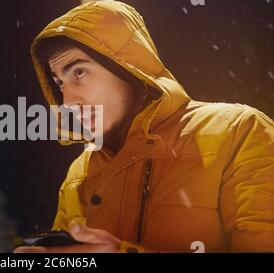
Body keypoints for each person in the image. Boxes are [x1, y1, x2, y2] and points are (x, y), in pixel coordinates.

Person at [15, 1, 274, 253]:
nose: (68, 102)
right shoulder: (79, 174)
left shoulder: (240, 133)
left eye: (79, 73)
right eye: (60, 83)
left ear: (127, 68)